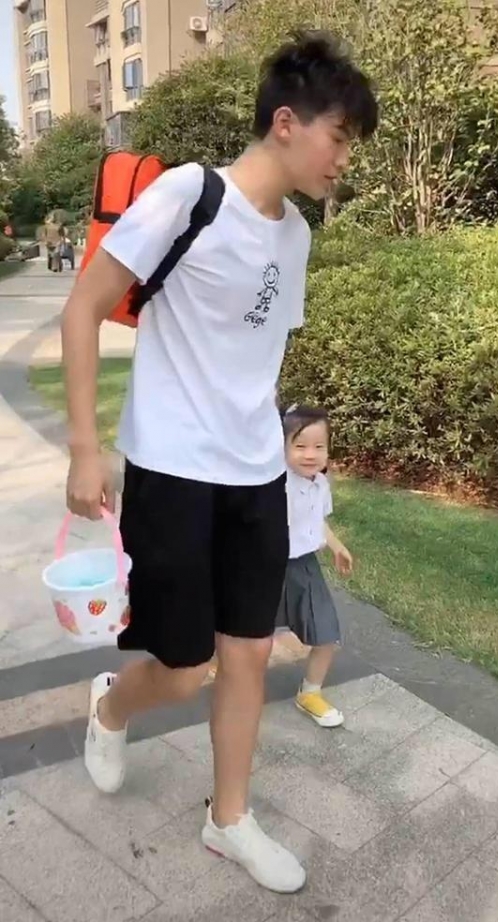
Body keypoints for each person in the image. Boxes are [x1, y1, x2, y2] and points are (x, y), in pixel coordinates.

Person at [61, 30, 377, 894]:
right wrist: (86, 449)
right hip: (171, 469)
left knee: (247, 656)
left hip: (256, 478)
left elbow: (255, 355)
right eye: (339, 137)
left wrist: (290, 461)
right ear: (287, 122)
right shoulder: (187, 194)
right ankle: (111, 705)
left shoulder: (296, 235)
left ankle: (228, 818)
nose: (344, 159)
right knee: (182, 666)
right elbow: (84, 307)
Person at [278, 405, 353, 727]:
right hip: (265, 568)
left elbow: (316, 521)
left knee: (326, 632)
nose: (310, 454)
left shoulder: (320, 483)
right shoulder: (274, 484)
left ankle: (310, 692)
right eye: (300, 445)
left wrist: (337, 546)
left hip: (305, 567)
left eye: (319, 446)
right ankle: (223, 662)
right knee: (245, 635)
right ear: (282, 447)